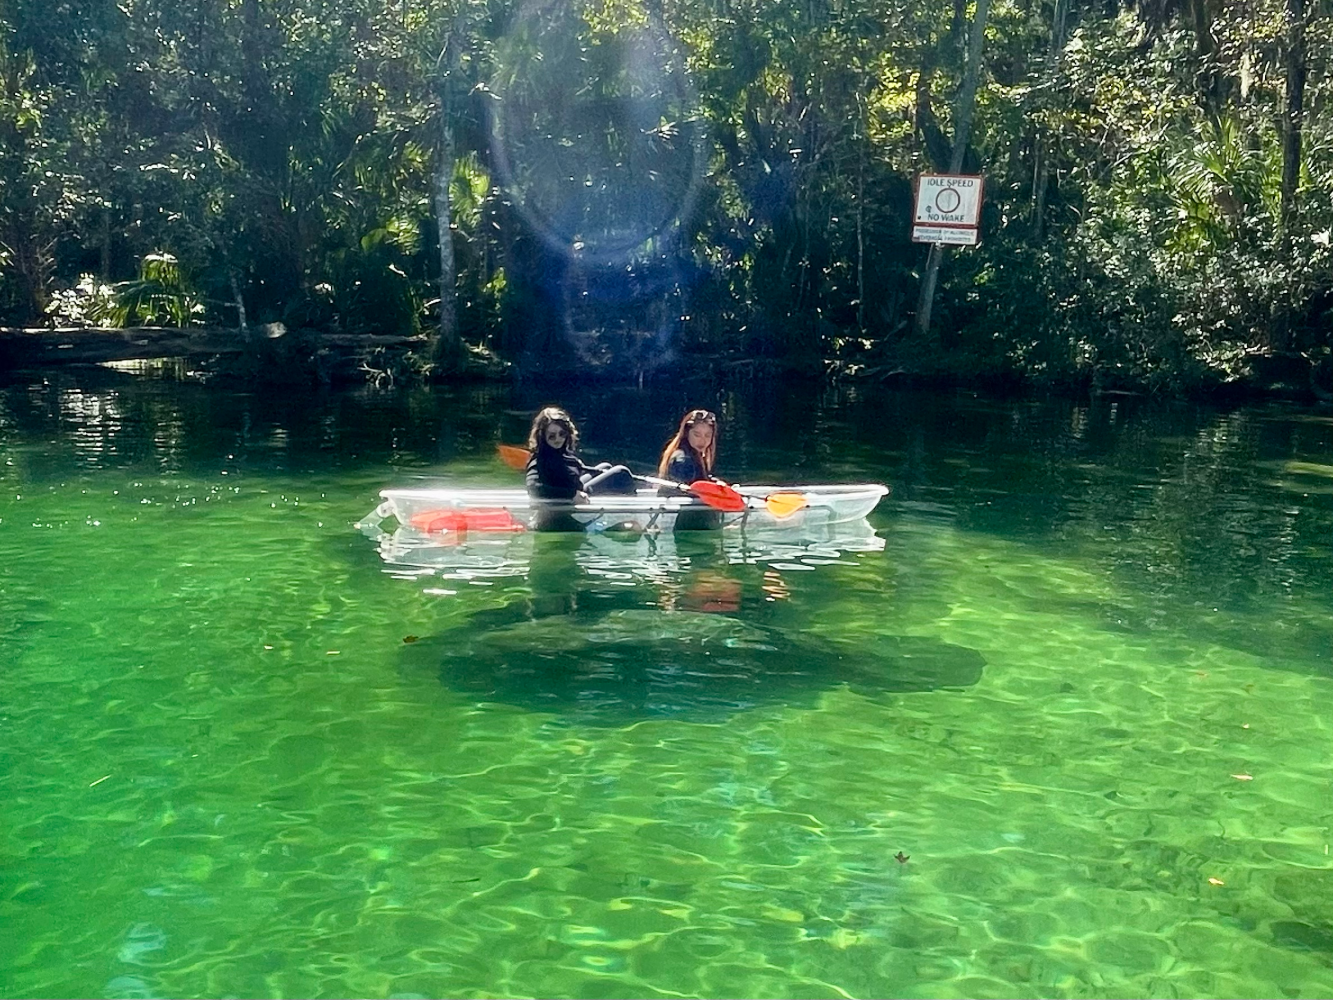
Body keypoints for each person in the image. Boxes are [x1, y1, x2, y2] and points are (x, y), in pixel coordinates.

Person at [524, 406, 636, 531]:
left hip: (574, 489)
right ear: (543, 437)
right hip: (566, 500)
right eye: (552, 436)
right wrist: (571, 495)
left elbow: (576, 471)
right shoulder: (539, 460)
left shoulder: (561, 453)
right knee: (621, 472)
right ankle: (634, 514)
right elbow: (534, 487)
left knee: (606, 466)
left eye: (562, 434)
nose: (558, 439)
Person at [657, 408, 724, 530]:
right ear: (687, 433)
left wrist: (716, 484)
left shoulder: (692, 454)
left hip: (685, 522)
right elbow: (688, 491)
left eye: (707, 435)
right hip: (685, 524)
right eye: (697, 435)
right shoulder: (682, 460)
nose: (702, 440)